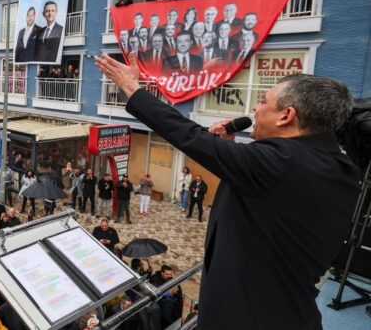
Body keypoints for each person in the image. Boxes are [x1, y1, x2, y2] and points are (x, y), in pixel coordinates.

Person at [95, 53, 360, 330]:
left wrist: (132, 88)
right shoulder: (340, 166)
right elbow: (270, 197)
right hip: (293, 311)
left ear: (286, 115)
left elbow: (189, 135)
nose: (255, 108)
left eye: (263, 101)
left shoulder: (280, 162)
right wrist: (231, 150)